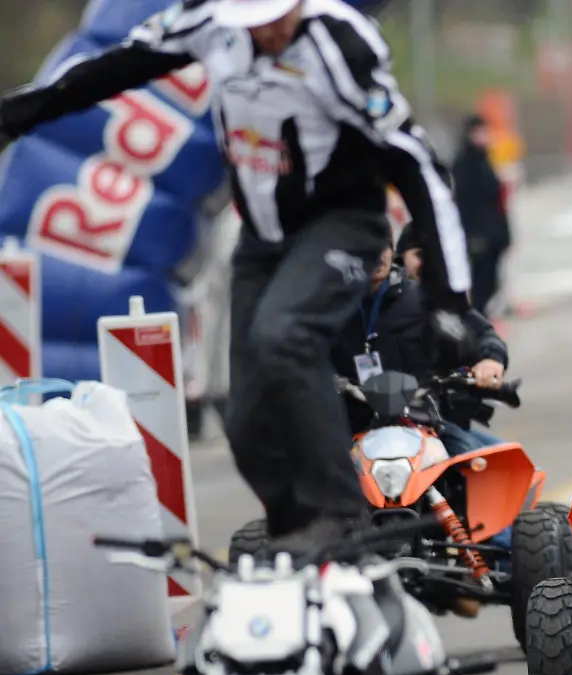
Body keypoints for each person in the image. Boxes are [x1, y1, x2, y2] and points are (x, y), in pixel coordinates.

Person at [0, 0, 476, 553]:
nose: (271, 30)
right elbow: (114, 68)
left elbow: (415, 162)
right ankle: (297, 528)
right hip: (263, 239)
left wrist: (449, 298)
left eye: (281, 16)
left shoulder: (339, 43)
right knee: (247, 419)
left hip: (341, 224)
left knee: (285, 335)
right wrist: (20, 113)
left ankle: (341, 515)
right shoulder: (206, 24)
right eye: (255, 22)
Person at [332, 224, 515, 547]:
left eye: (383, 248)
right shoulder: (328, 310)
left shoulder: (426, 301)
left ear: (392, 251)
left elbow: (480, 334)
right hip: (352, 429)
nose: (377, 257)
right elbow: (296, 351)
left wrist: (489, 360)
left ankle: (503, 552)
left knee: (483, 468)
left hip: (423, 425)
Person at [451, 114, 511, 316]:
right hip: (477, 234)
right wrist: (471, 235)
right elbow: (463, 203)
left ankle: (484, 320)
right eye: (479, 132)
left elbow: (496, 201)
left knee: (491, 282)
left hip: (492, 232)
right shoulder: (463, 163)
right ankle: (478, 325)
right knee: (479, 286)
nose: (484, 136)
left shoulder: (486, 159)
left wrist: (504, 234)